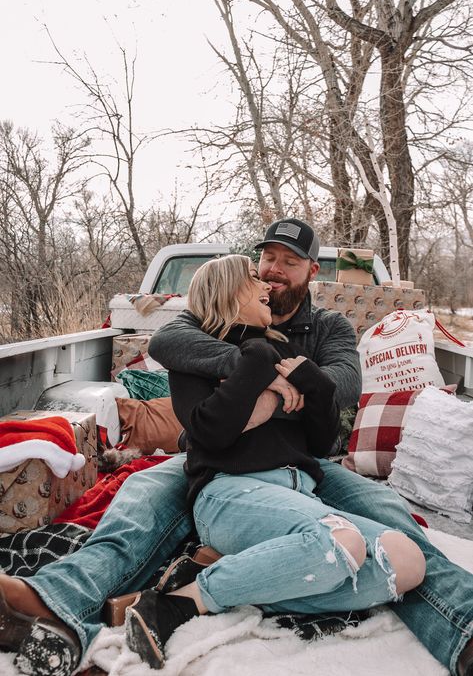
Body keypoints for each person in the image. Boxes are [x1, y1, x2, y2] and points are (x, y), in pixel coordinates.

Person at [0, 217, 470, 676]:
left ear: (312, 272)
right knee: (140, 498)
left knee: (385, 508)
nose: (274, 270)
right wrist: (260, 371)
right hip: (216, 456)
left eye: (290, 261)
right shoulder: (211, 318)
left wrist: (269, 387)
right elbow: (168, 341)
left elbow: (343, 385)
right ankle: (55, 602)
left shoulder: (330, 327)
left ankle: (462, 627)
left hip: (309, 462)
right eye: (267, 258)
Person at [124, 253, 426, 670]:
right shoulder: (199, 354)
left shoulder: (284, 349)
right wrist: (259, 365)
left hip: (299, 491)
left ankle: (245, 581)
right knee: (343, 542)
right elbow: (210, 432)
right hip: (230, 493)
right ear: (228, 288)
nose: (268, 285)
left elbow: (319, 445)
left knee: (406, 560)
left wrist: (314, 386)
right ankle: (180, 602)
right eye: (255, 276)